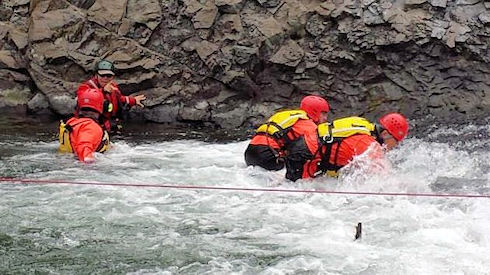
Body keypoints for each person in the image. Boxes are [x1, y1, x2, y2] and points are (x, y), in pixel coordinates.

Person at [294, 112, 409, 181]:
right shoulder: (369, 145)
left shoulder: (362, 124)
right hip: (304, 157)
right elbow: (384, 179)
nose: (395, 146)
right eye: (396, 141)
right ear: (385, 134)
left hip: (300, 147)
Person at [244, 95, 330, 173]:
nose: (325, 118)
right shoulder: (307, 124)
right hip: (268, 154)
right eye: (323, 114)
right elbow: (315, 148)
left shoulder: (288, 115)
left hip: (250, 152)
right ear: (315, 111)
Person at [76, 59, 146, 133]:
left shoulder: (112, 87)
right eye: (102, 75)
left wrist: (133, 100)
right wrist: (103, 91)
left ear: (113, 77)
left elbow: (119, 98)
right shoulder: (85, 88)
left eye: (109, 76)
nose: (105, 78)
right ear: (96, 75)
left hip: (107, 126)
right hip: (88, 127)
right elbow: (84, 98)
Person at [59, 89, 110, 163]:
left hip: (67, 160)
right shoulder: (91, 127)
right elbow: (84, 146)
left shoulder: (73, 122)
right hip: (80, 166)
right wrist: (88, 164)